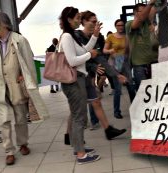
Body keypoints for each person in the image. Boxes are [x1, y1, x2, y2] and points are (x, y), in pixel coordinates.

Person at [0, 12, 49, 165]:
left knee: (20, 118)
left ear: (4, 24)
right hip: (1, 89)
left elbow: (29, 62)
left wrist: (25, 77)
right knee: (4, 121)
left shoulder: (19, 40)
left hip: (17, 87)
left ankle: (23, 143)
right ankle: (9, 151)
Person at [59, 6, 101, 164]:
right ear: (69, 20)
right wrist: (91, 55)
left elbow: (83, 51)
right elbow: (72, 61)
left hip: (77, 80)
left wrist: (94, 36)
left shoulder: (71, 36)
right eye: (77, 18)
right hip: (74, 81)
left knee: (78, 116)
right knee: (79, 117)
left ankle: (78, 148)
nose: (79, 20)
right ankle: (81, 154)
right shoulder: (67, 37)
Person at [103, 19, 136, 118]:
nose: (120, 27)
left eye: (122, 25)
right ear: (115, 26)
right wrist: (110, 51)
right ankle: (116, 111)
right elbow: (104, 50)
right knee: (118, 89)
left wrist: (130, 62)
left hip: (125, 62)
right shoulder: (110, 37)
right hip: (115, 62)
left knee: (130, 86)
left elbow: (129, 50)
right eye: (118, 25)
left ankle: (135, 108)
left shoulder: (127, 37)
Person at [125, 0, 158, 91]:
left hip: (152, 63)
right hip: (139, 66)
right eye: (143, 11)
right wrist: (150, 3)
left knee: (155, 91)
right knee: (143, 93)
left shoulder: (148, 23)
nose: (146, 12)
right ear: (135, 13)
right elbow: (140, 19)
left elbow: (153, 10)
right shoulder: (129, 24)